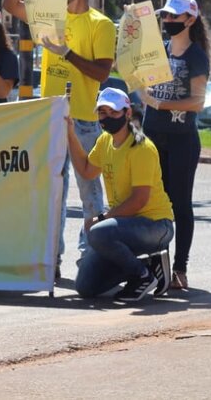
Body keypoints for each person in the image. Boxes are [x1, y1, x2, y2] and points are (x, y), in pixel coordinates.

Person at [3, 0, 114, 273]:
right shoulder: (49, 16)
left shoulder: (100, 24)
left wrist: (67, 53)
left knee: (90, 192)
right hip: (51, 117)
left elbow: (102, 73)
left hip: (83, 118)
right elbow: (11, 3)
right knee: (53, 190)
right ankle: (53, 256)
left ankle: (91, 253)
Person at [67, 87, 174, 302]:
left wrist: (103, 219)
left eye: (114, 112)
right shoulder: (105, 141)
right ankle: (149, 264)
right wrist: (69, 131)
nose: (107, 118)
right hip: (124, 227)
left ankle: (142, 276)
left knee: (98, 232)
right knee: (85, 287)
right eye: (102, 112)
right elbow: (87, 170)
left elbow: (139, 200)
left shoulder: (141, 148)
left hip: (156, 225)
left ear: (127, 113)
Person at [139, 0, 211, 291]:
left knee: (180, 204)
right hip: (152, 136)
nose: (168, 21)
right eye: (165, 16)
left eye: (174, 16)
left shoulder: (196, 56)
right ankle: (156, 267)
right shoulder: (159, 51)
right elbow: (144, 83)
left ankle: (180, 269)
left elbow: (198, 102)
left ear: (190, 20)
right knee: (155, 204)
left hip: (182, 140)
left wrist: (160, 105)